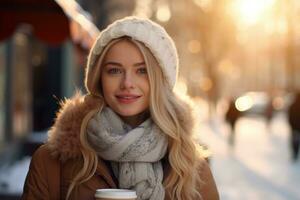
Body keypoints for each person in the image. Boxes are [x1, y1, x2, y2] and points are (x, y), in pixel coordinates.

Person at [21, 16, 219, 200]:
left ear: (161, 81)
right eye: (114, 70)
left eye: (142, 71)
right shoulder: (52, 162)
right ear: (99, 78)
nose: (127, 83)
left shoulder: (191, 168)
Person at [288, 92, 300, 161]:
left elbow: (289, 117)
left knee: (294, 142)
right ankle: (296, 154)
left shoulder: (292, 106)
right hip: (296, 128)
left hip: (294, 128)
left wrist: (291, 125)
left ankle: (294, 153)